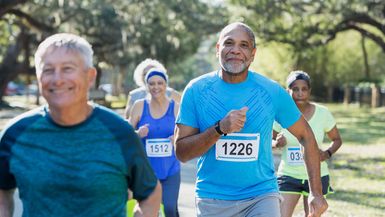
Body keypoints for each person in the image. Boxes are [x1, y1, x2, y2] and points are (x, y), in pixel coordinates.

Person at [174, 22, 328, 217]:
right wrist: (219, 129)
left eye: (244, 45)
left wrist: (316, 192)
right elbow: (181, 152)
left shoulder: (271, 91)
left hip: (261, 195)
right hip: (212, 198)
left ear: (253, 53)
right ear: (218, 49)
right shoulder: (196, 90)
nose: (236, 50)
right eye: (229, 43)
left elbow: (306, 135)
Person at [0, 33, 161, 217]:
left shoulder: (119, 133)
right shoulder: (15, 134)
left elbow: (150, 193)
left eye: (68, 69)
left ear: (90, 76)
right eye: (48, 70)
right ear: (38, 77)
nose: (57, 79)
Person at [272, 71, 342, 217]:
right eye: (295, 89)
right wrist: (276, 143)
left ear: (309, 91)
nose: (300, 93)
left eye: (304, 89)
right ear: (287, 91)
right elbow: (268, 141)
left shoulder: (323, 113)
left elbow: (337, 140)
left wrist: (327, 153)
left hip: (317, 175)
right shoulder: (281, 114)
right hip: (288, 175)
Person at [129, 67, 181, 217]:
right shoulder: (139, 106)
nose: (156, 87)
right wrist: (138, 133)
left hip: (171, 168)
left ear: (166, 85)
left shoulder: (175, 107)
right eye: (151, 84)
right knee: (149, 211)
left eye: (160, 83)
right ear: (147, 86)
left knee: (170, 209)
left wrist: (176, 138)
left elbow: (184, 134)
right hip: (147, 170)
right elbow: (127, 135)